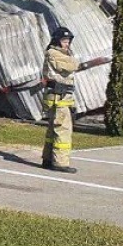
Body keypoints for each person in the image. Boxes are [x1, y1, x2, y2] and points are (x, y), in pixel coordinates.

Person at [41, 26, 79, 173]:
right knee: (63, 130)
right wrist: (75, 62)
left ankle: (48, 159)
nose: (67, 43)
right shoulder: (54, 53)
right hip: (59, 98)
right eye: (64, 40)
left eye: (68, 40)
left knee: (52, 130)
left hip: (60, 97)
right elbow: (69, 66)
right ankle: (61, 163)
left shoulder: (60, 53)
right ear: (57, 40)